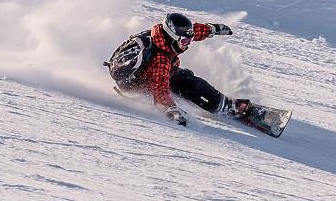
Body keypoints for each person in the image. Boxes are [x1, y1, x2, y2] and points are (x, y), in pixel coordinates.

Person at [107, 12, 251, 126]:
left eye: (189, 40)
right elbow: (159, 88)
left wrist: (214, 29)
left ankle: (205, 99)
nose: (187, 45)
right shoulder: (161, 60)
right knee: (193, 85)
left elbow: (194, 31)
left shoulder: (163, 36)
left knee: (187, 75)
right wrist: (171, 110)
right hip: (142, 85)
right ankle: (227, 107)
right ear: (173, 37)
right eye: (184, 41)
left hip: (153, 74)